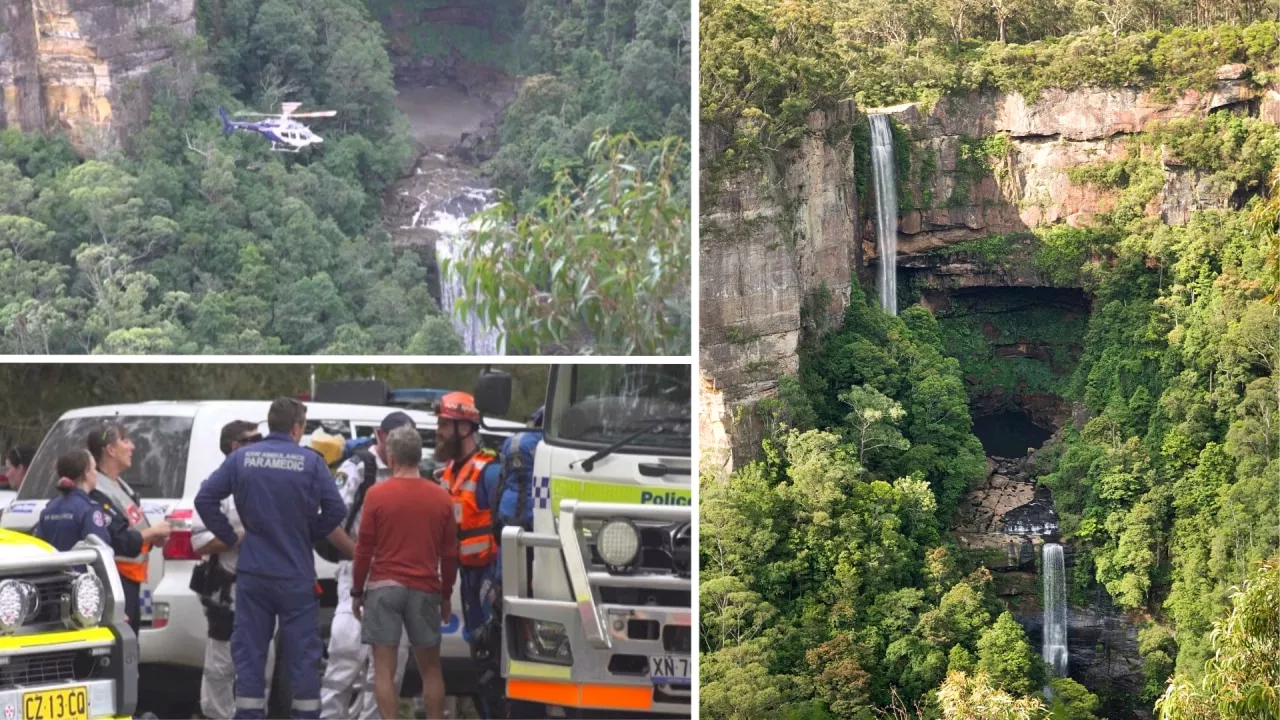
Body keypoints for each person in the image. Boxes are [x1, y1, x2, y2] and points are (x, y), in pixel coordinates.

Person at [195, 397, 354, 720]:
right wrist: (308, 533)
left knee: (250, 656)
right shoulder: (310, 462)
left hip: (253, 573)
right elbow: (336, 510)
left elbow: (206, 498)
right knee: (303, 657)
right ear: (296, 428)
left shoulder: (242, 459)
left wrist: (227, 537)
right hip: (296, 574)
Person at [351, 425, 457, 720]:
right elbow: (449, 555)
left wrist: (357, 591)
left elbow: (364, 550)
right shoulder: (441, 498)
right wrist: (446, 594)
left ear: (391, 456)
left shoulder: (376, 495)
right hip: (424, 588)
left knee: (384, 670)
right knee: (431, 669)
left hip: (383, 587)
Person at [319, 413, 415, 720]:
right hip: (356, 577)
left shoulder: (410, 473)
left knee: (387, 670)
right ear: (380, 435)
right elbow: (329, 523)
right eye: (392, 439)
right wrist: (362, 558)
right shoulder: (361, 467)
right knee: (344, 658)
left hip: (396, 582)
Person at [191, 420, 271, 720]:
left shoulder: (266, 480)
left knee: (263, 661)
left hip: (263, 586)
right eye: (254, 439)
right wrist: (237, 537)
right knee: (220, 666)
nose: (261, 443)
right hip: (227, 587)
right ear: (236, 447)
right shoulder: (217, 487)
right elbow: (199, 542)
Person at [433, 391, 506, 718]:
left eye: (444, 424)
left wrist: (500, 583)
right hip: (466, 574)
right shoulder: (448, 471)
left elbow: (506, 529)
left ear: (465, 427)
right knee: (480, 656)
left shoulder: (487, 471)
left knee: (492, 656)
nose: (439, 430)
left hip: (488, 575)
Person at [88, 423, 171, 636]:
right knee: (121, 646)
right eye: (125, 440)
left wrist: (153, 538)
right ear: (110, 450)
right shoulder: (96, 491)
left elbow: (133, 529)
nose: (132, 446)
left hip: (132, 582)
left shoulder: (122, 486)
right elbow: (120, 540)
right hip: (113, 581)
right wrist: (152, 533)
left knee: (132, 644)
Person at [33, 449, 111, 551]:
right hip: (78, 567)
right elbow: (99, 550)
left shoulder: (49, 508)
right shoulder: (89, 509)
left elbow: (38, 545)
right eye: (94, 469)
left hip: (52, 567)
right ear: (86, 472)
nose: (96, 473)